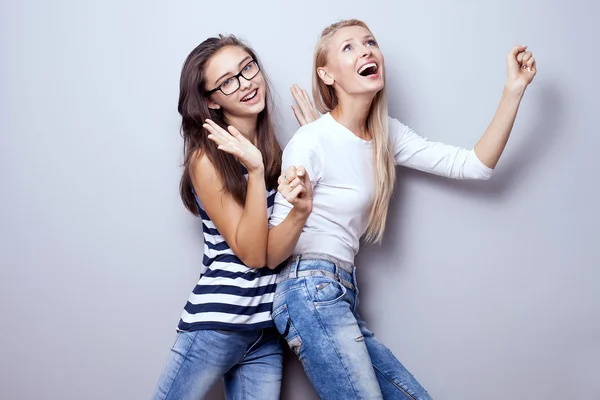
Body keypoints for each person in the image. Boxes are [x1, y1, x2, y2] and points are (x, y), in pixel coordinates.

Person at [266, 19, 537, 400]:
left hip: (341, 291)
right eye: (348, 47)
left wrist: (513, 90)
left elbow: (473, 165)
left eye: (370, 42)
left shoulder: (386, 134)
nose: (365, 50)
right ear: (326, 74)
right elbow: (271, 254)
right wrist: (298, 212)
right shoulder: (310, 140)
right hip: (307, 288)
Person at [152, 34, 312, 400]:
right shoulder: (205, 160)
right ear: (211, 100)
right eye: (228, 81)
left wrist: (316, 142)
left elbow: (273, 254)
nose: (246, 83)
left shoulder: (276, 155)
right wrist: (255, 174)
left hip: (264, 330)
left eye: (247, 68)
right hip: (218, 324)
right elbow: (252, 254)